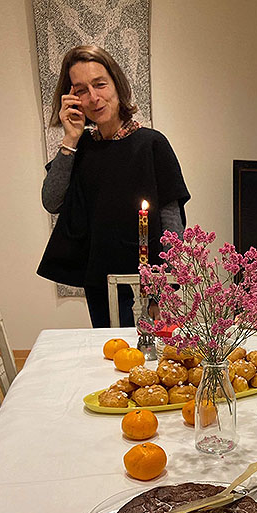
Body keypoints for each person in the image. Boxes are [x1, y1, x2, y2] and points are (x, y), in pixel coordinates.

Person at [37, 45, 190, 327]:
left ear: (117, 85)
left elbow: (172, 223)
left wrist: (164, 289)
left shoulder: (152, 144)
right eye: (81, 90)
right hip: (99, 281)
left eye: (100, 84)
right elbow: (52, 201)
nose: (94, 98)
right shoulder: (81, 148)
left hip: (147, 285)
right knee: (110, 352)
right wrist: (70, 139)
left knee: (148, 354)